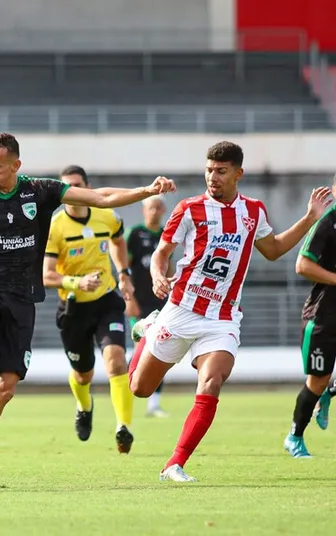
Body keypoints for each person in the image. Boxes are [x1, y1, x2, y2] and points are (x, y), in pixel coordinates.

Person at [0, 132, 176, 487]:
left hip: (21, 299)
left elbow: (100, 197)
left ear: (16, 165)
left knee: (5, 386)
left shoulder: (40, 191)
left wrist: (146, 191)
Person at [127, 141, 332, 482]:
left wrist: (310, 218)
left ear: (239, 173)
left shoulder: (253, 212)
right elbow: (162, 254)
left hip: (222, 317)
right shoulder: (189, 209)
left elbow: (275, 249)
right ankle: (149, 330)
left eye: (221, 171)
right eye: (209, 170)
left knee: (212, 382)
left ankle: (174, 465)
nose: (213, 177)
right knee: (140, 389)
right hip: (181, 310)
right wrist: (157, 275)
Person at [42, 165, 136, 453]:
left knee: (116, 362)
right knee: (83, 374)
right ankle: (84, 406)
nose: (72, 193)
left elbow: (118, 242)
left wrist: (124, 273)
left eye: (77, 186)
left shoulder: (107, 215)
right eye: (66, 188)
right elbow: (46, 275)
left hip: (107, 301)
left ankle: (124, 427)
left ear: (87, 187)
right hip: (73, 308)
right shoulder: (54, 227)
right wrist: (76, 282)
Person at [283, 174, 336, 457]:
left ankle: (329, 392)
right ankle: (295, 436)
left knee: (324, 382)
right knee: (317, 380)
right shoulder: (328, 223)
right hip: (324, 315)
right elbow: (302, 265)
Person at [125, 196, 171, 417]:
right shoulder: (134, 234)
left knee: (160, 348)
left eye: (158, 207)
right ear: (144, 210)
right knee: (142, 347)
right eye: (150, 207)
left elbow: (170, 268)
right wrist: (128, 298)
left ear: (163, 210)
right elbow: (124, 267)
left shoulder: (166, 235)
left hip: (162, 302)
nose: (154, 211)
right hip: (140, 302)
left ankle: (154, 404)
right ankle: (129, 391)